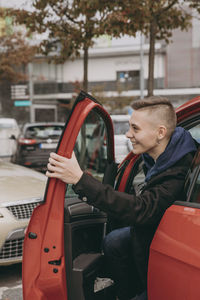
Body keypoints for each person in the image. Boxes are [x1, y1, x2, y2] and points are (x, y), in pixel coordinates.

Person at [46, 96, 197, 300]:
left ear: (160, 132)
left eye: (135, 129)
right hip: (158, 232)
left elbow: (142, 209)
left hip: (176, 244)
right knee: (114, 241)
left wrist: (80, 179)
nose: (128, 134)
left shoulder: (179, 169)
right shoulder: (162, 156)